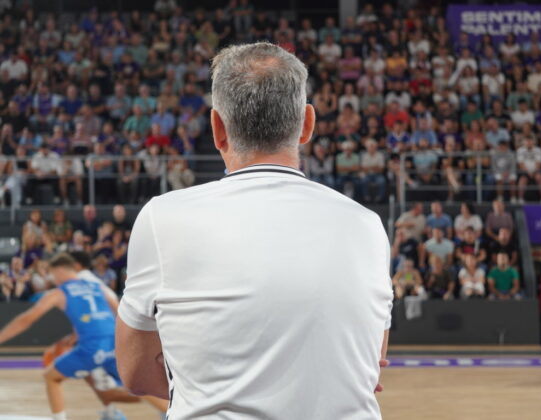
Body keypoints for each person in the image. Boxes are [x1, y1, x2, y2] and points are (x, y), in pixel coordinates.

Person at [116, 42, 393, 419]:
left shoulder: (162, 217)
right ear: (307, 124)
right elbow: (370, 364)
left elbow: (135, 372)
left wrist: (215, 383)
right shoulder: (366, 224)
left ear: (217, 128)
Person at [0, 253, 124, 420]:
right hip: (112, 340)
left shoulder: (63, 290)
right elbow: (112, 310)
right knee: (137, 387)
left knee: (52, 376)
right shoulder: (95, 284)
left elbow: (27, 319)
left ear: (60, 270)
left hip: (94, 345)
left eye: (51, 273)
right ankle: (114, 409)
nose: (51, 278)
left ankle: (104, 407)